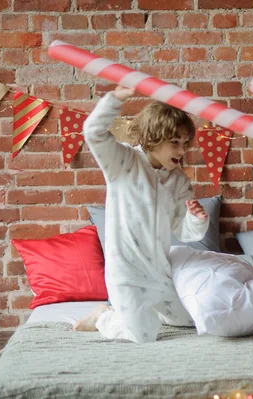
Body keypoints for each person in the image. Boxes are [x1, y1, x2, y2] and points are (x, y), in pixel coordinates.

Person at [73, 85, 209, 344]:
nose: (182, 150)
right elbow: (93, 132)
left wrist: (197, 219)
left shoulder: (178, 181)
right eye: (175, 143)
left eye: (185, 143)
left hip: (159, 270)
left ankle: (143, 311)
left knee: (194, 319)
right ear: (153, 138)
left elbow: (184, 231)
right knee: (143, 335)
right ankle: (103, 316)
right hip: (127, 273)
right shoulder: (123, 162)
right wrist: (115, 99)